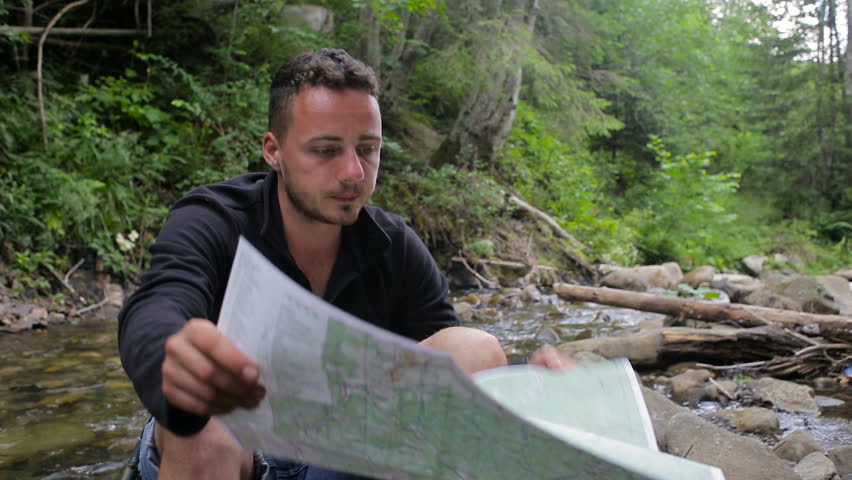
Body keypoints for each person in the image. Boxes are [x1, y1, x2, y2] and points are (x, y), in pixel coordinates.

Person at [118, 48, 570, 480]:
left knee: (476, 349)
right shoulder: (213, 220)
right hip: (236, 455)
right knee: (206, 425)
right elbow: (156, 306)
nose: (353, 171)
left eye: (367, 149)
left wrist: (526, 393)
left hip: (349, 452)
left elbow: (449, 386)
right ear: (273, 151)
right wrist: (173, 365)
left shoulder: (394, 245)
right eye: (326, 150)